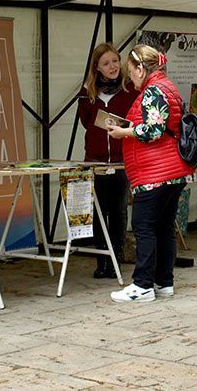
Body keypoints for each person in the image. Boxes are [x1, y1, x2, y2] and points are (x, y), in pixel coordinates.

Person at [107, 45, 196, 302]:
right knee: (164, 227)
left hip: (155, 172)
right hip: (173, 171)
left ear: (140, 68)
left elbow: (153, 131)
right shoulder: (168, 86)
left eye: (130, 72)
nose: (130, 78)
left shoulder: (153, 91)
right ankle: (163, 282)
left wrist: (124, 131)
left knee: (144, 227)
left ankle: (142, 286)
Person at [78, 43, 137, 279]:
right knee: (99, 211)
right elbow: (85, 121)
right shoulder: (88, 93)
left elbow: (136, 119)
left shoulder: (129, 89)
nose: (112, 66)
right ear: (97, 68)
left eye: (115, 61)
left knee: (119, 209)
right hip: (96, 160)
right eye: (106, 63)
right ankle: (102, 260)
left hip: (123, 160)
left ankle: (116, 259)